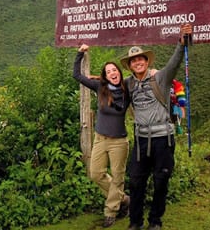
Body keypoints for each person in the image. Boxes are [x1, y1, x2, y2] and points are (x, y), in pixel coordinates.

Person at [120, 24, 193, 230]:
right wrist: (95, 79)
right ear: (130, 65)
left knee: (161, 181)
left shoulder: (160, 78)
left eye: (141, 59)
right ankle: (135, 222)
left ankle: (155, 221)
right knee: (135, 182)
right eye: (134, 61)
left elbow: (174, 63)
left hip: (163, 139)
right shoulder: (129, 83)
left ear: (146, 61)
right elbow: (111, 81)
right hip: (141, 140)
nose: (137, 63)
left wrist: (181, 42)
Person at [73, 44, 131, 228]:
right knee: (95, 174)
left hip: (119, 141)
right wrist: (80, 54)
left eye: (115, 70)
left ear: (120, 73)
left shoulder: (128, 88)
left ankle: (110, 211)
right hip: (100, 139)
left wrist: (153, 71)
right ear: (105, 76)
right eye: (108, 71)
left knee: (118, 177)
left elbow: (141, 77)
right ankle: (124, 199)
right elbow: (77, 75)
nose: (112, 73)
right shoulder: (100, 87)